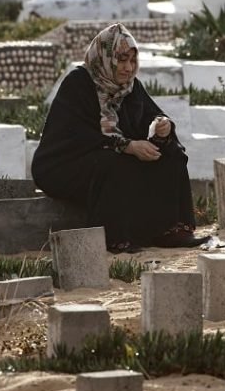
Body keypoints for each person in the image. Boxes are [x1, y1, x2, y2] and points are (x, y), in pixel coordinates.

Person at [32, 23, 203, 252]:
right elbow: (79, 136)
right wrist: (127, 146)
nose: (128, 68)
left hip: (112, 158)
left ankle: (171, 230)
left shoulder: (130, 87)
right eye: (121, 60)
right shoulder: (78, 83)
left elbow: (151, 116)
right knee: (113, 163)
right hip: (64, 166)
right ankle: (115, 238)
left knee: (171, 153)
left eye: (132, 61)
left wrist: (162, 127)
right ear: (106, 57)